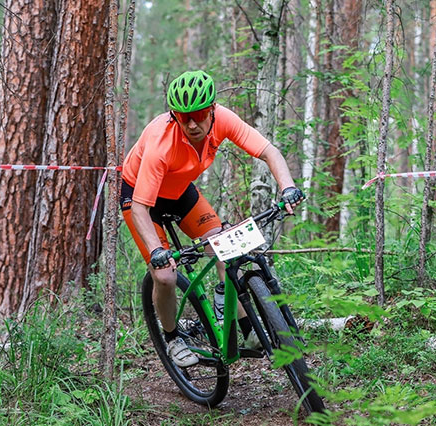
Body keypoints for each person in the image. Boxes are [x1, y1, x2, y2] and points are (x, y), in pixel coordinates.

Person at [120, 70, 304, 368]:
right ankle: (172, 338)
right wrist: (156, 251)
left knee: (224, 245)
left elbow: (269, 151)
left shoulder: (224, 120)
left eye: (200, 114)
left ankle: (245, 328)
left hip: (179, 191)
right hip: (140, 197)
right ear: (174, 116)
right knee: (165, 276)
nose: (192, 123)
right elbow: (141, 207)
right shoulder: (161, 143)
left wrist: (288, 187)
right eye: (183, 117)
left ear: (213, 109)